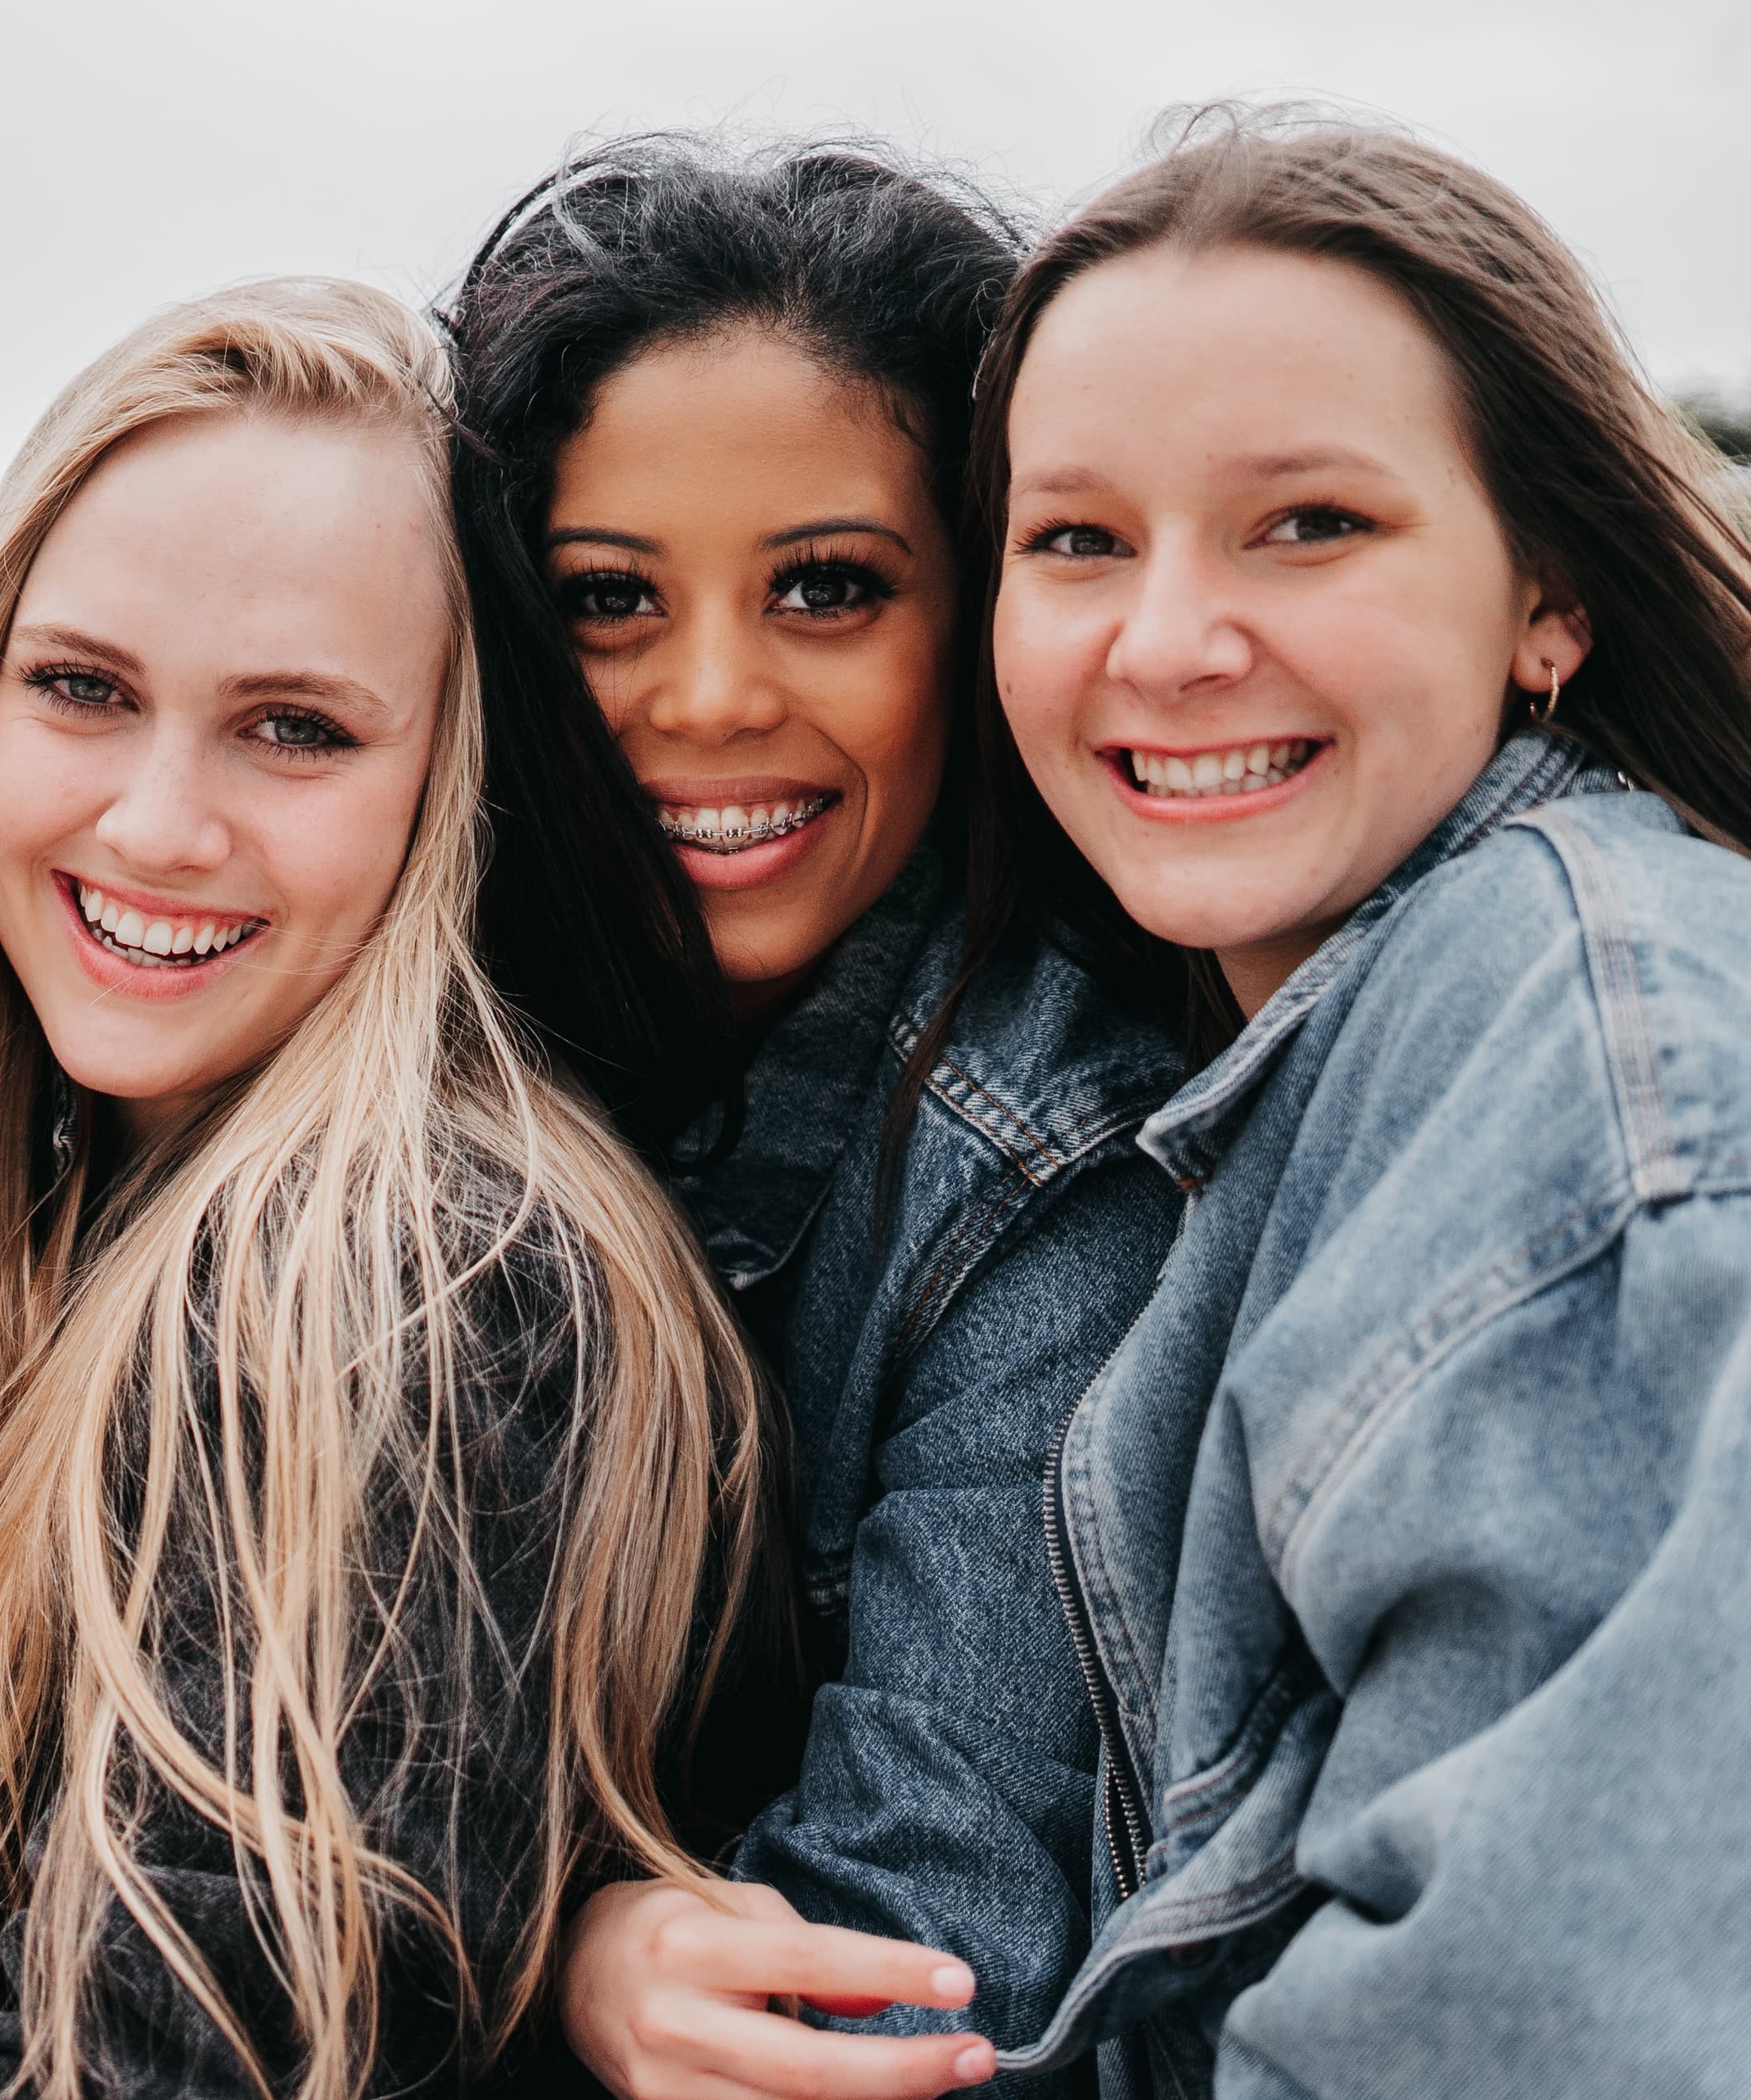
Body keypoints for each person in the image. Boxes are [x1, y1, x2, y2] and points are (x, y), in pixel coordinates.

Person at [0, 278, 773, 2100]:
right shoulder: (43, 1203)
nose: (157, 824)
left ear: (447, 782)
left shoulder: (398, 1276)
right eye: (84, 689)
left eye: (296, 730)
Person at [964, 115, 1751, 2097]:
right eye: (1075, 539)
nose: (1164, 641)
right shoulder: (1320, 1043)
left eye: (1306, 522)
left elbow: (1537, 2032)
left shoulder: (1597, 1061)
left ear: (1546, 595)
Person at [440, 135, 1186, 2098]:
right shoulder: (388, 1031)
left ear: (991, 598)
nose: (707, 695)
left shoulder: (1051, 1159)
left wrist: (573, 1963)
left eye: (829, 588)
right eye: (608, 599)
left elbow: (886, 1980)